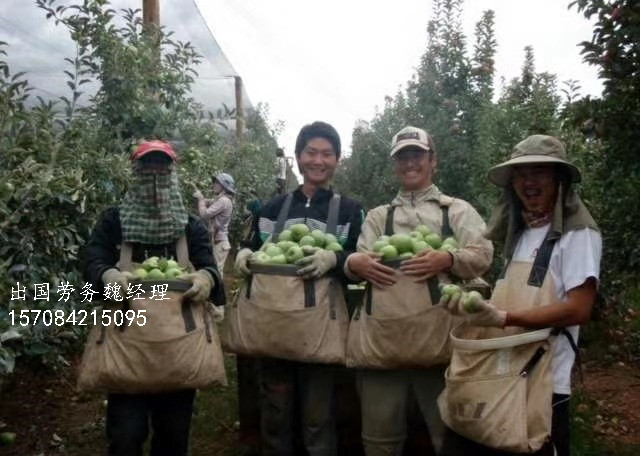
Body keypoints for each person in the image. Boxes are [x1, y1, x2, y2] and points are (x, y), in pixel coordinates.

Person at [439, 135, 601, 456]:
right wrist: (476, 306)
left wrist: (505, 318)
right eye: (521, 174)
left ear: (559, 179)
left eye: (538, 172)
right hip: (506, 371)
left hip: (544, 381)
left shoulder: (578, 233)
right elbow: (517, 296)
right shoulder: (523, 231)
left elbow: (579, 308)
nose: (528, 182)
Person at [344, 126, 493, 455]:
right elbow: (362, 262)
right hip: (383, 344)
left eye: (417, 155)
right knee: (379, 441)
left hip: (440, 345)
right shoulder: (378, 217)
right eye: (402, 157)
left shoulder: (456, 211)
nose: (410, 162)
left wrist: (448, 258)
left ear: (433, 160)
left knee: (448, 436)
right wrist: (355, 263)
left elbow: (483, 255)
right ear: (395, 165)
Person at [83, 140, 225, 456]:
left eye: (163, 168)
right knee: (126, 436)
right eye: (148, 168)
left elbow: (211, 269)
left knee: (173, 435)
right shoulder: (114, 222)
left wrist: (206, 278)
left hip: (177, 347)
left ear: (172, 175)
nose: (155, 176)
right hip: (127, 345)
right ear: (136, 174)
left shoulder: (188, 226)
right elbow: (91, 262)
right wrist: (107, 276)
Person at [235, 121, 365, 456]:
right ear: (298, 156)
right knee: (275, 411)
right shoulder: (272, 209)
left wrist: (335, 258)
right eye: (311, 152)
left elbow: (361, 260)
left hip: (320, 329)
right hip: (274, 323)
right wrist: (245, 254)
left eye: (326, 154)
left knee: (317, 415)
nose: (318, 160)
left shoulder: (350, 211)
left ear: (337, 160)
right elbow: (252, 248)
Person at [194, 172, 235, 277]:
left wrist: (200, 199)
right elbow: (211, 202)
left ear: (224, 186)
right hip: (218, 241)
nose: (214, 185)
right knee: (215, 270)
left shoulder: (224, 201)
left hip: (220, 243)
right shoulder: (222, 199)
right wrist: (202, 200)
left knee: (217, 271)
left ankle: (219, 288)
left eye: (217, 183)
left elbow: (204, 214)